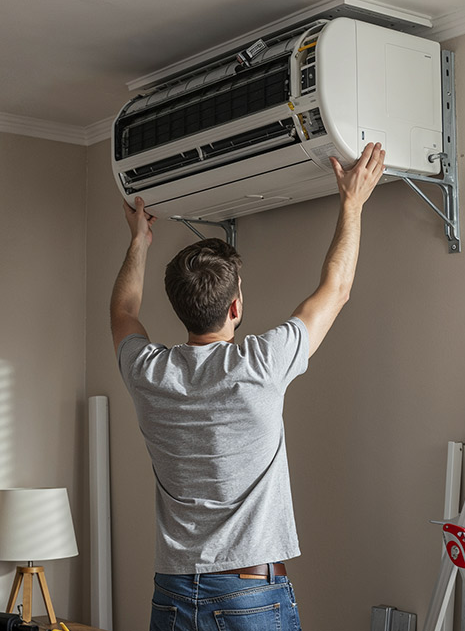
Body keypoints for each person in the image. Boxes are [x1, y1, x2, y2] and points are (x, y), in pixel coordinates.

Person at [110, 143, 386, 631]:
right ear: (234, 307)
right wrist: (352, 203)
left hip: (172, 592)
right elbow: (335, 290)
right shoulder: (259, 362)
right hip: (247, 595)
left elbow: (124, 314)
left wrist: (139, 242)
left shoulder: (148, 372)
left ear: (179, 306)